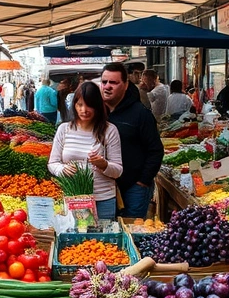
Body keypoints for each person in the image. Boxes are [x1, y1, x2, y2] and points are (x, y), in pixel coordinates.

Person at [48, 83, 123, 220]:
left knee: (101, 240)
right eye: (80, 105)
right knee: (75, 240)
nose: (84, 110)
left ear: (98, 106)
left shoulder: (109, 130)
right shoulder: (64, 129)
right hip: (73, 198)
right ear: (74, 105)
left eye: (90, 105)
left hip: (103, 200)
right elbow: (52, 163)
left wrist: (103, 164)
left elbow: (118, 170)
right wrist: (62, 169)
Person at [99, 62, 164, 219]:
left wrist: (143, 181)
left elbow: (155, 150)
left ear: (126, 85)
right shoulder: (97, 112)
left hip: (133, 188)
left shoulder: (140, 113)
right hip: (104, 188)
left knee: (132, 233)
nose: (107, 86)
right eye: (104, 82)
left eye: (113, 82)